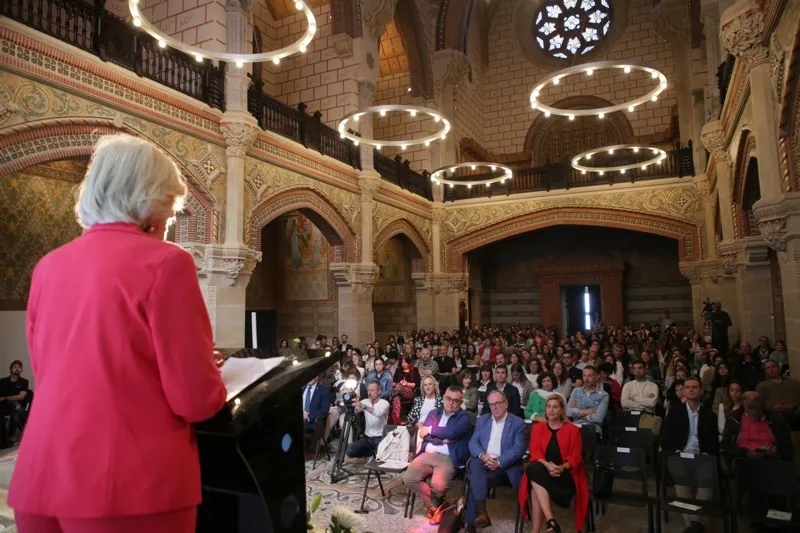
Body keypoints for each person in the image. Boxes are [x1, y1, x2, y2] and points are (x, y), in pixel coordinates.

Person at [9, 135, 228, 533]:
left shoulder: (48, 266)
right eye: (171, 209)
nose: (169, 222)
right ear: (151, 203)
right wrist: (212, 376)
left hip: (41, 476)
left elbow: (51, 370)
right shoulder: (166, 263)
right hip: (128, 486)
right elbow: (194, 400)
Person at [519, 395, 589, 533]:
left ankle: (540, 529)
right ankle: (551, 521)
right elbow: (535, 452)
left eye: (555, 407)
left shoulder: (572, 430)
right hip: (544, 471)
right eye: (548, 407)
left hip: (565, 476)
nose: (551, 410)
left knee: (535, 484)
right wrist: (547, 465)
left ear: (562, 410)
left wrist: (561, 468)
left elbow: (575, 458)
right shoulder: (538, 428)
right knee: (534, 469)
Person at [403, 387, 472, 524]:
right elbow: (425, 435)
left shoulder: (464, 417)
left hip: (448, 456)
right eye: (448, 399)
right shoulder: (433, 413)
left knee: (438, 486)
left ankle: (434, 506)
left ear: (460, 402)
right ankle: (437, 506)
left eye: (456, 400)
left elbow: (451, 432)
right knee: (409, 478)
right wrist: (442, 440)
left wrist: (430, 430)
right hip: (428, 453)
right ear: (443, 397)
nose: (451, 403)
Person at [660, 377, 719, 533]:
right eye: (688, 387)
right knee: (682, 483)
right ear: (683, 391)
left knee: (706, 484)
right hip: (679, 455)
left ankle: (696, 525)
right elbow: (665, 439)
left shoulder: (709, 415)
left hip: (702, 456)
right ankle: (691, 525)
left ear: (701, 391)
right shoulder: (674, 413)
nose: (691, 389)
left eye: (694, 387)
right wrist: (678, 453)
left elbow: (714, 442)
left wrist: (705, 454)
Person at [464, 391, 526, 531]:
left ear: (506, 404)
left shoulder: (517, 423)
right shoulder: (483, 420)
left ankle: (472, 522)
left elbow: (518, 449)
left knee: (476, 478)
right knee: (475, 464)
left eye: (498, 403)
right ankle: (481, 512)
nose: (495, 407)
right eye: (492, 404)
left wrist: (499, 461)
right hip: (484, 463)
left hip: (505, 467)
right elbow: (473, 443)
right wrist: (483, 456)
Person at [721, 391, 794, 463]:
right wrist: (746, 453)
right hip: (742, 460)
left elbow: (788, 450)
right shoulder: (734, 418)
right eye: (750, 407)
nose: (753, 412)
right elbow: (726, 445)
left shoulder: (775, 419)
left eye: (755, 407)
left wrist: (775, 452)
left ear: (761, 404)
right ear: (743, 404)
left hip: (770, 461)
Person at [346, 381, 389, 459]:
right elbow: (355, 410)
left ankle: (373, 453)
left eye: (372, 390)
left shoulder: (384, 403)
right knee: (350, 451)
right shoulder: (365, 401)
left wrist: (362, 405)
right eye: (368, 390)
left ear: (379, 391)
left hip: (380, 437)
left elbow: (378, 413)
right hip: (367, 437)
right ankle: (370, 453)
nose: (369, 393)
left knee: (382, 458)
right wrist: (348, 402)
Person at [755, 359, 800, 428]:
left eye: (773, 366)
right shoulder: (761, 386)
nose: (771, 369)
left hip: (795, 411)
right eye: (768, 368)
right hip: (773, 414)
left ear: (779, 368)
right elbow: (758, 405)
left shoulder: (793, 382)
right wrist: (772, 408)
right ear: (765, 371)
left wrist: (793, 406)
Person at [621, 359, 661, 435]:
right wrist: (643, 405)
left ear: (645, 370)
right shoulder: (628, 385)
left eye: (640, 368)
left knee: (645, 442)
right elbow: (624, 403)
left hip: (648, 417)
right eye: (634, 368)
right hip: (630, 417)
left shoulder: (653, 386)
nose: (637, 371)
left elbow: (652, 403)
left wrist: (633, 398)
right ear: (632, 371)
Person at [566, 366, 609, 434]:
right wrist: (590, 411)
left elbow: (599, 418)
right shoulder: (576, 391)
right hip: (576, 426)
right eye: (584, 376)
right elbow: (568, 411)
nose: (586, 379)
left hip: (593, 429)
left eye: (590, 376)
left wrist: (579, 413)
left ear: (596, 377)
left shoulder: (603, 395)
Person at [0, 360, 29, 445]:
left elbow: (21, 396)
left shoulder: (24, 381)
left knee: (16, 411)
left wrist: (6, 397)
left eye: (19, 367)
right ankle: (4, 438)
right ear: (10, 369)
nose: (17, 369)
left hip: (18, 407)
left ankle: (10, 436)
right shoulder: (2, 381)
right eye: (15, 367)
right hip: (4, 406)